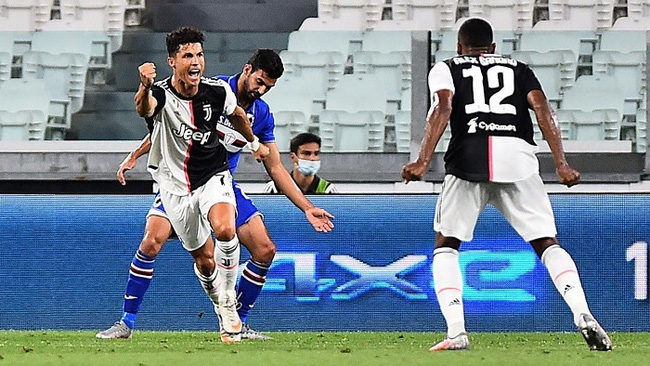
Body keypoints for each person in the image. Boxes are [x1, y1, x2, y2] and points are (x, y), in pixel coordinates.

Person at [401, 18, 612, 352]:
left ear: (459, 47)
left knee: (446, 244)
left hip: (468, 159)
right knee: (546, 242)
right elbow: (542, 108)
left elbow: (443, 105)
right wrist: (561, 162)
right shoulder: (518, 68)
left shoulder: (446, 67)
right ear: (493, 48)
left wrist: (423, 160)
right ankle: (582, 313)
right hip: (518, 158)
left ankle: (456, 331)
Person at [96, 49, 334, 342]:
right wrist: (135, 155)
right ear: (247, 70)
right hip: (181, 180)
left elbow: (274, 166)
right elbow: (167, 123)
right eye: (259, 82)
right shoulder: (212, 88)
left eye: (268, 87)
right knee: (152, 240)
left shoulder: (261, 114)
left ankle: (237, 323)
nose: (261, 90)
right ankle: (126, 322)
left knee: (264, 249)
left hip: (220, 183)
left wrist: (307, 208)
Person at [263, 132, 337, 194]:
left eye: (316, 153)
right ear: (293, 157)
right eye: (306, 153)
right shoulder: (274, 188)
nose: (312, 158)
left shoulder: (328, 190)